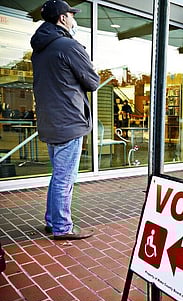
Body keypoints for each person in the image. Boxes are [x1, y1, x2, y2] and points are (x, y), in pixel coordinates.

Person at [31, 0, 99, 240]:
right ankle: (62, 227)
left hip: (50, 121)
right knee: (65, 177)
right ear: (62, 18)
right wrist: (80, 49)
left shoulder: (39, 49)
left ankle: (52, 220)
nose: (73, 19)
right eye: (71, 15)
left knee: (58, 175)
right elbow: (93, 81)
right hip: (69, 121)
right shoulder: (68, 46)